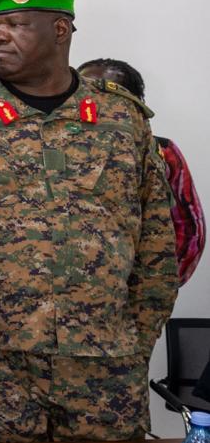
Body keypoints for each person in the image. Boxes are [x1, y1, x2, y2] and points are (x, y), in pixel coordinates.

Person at [0, 0, 178, 442]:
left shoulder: (121, 117)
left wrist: (134, 341)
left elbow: (157, 243)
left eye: (14, 24)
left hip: (106, 366)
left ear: (60, 30)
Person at [78, 58, 203, 286]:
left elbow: (189, 231)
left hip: (129, 292)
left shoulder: (162, 152)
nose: (94, 100)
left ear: (135, 102)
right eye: (84, 91)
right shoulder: (49, 146)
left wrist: (155, 291)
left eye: (108, 94)